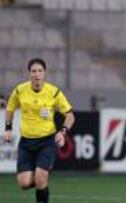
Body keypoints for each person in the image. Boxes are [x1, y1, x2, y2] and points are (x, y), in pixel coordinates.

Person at [4, 58, 75, 203]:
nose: (37, 74)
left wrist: (62, 132)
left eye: (40, 71)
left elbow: (70, 116)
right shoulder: (20, 90)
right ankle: (41, 181)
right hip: (26, 143)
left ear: (45, 73)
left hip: (46, 141)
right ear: (29, 73)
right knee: (24, 183)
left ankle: (42, 184)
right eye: (34, 71)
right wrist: (8, 129)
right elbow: (10, 108)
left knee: (40, 177)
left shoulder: (53, 92)